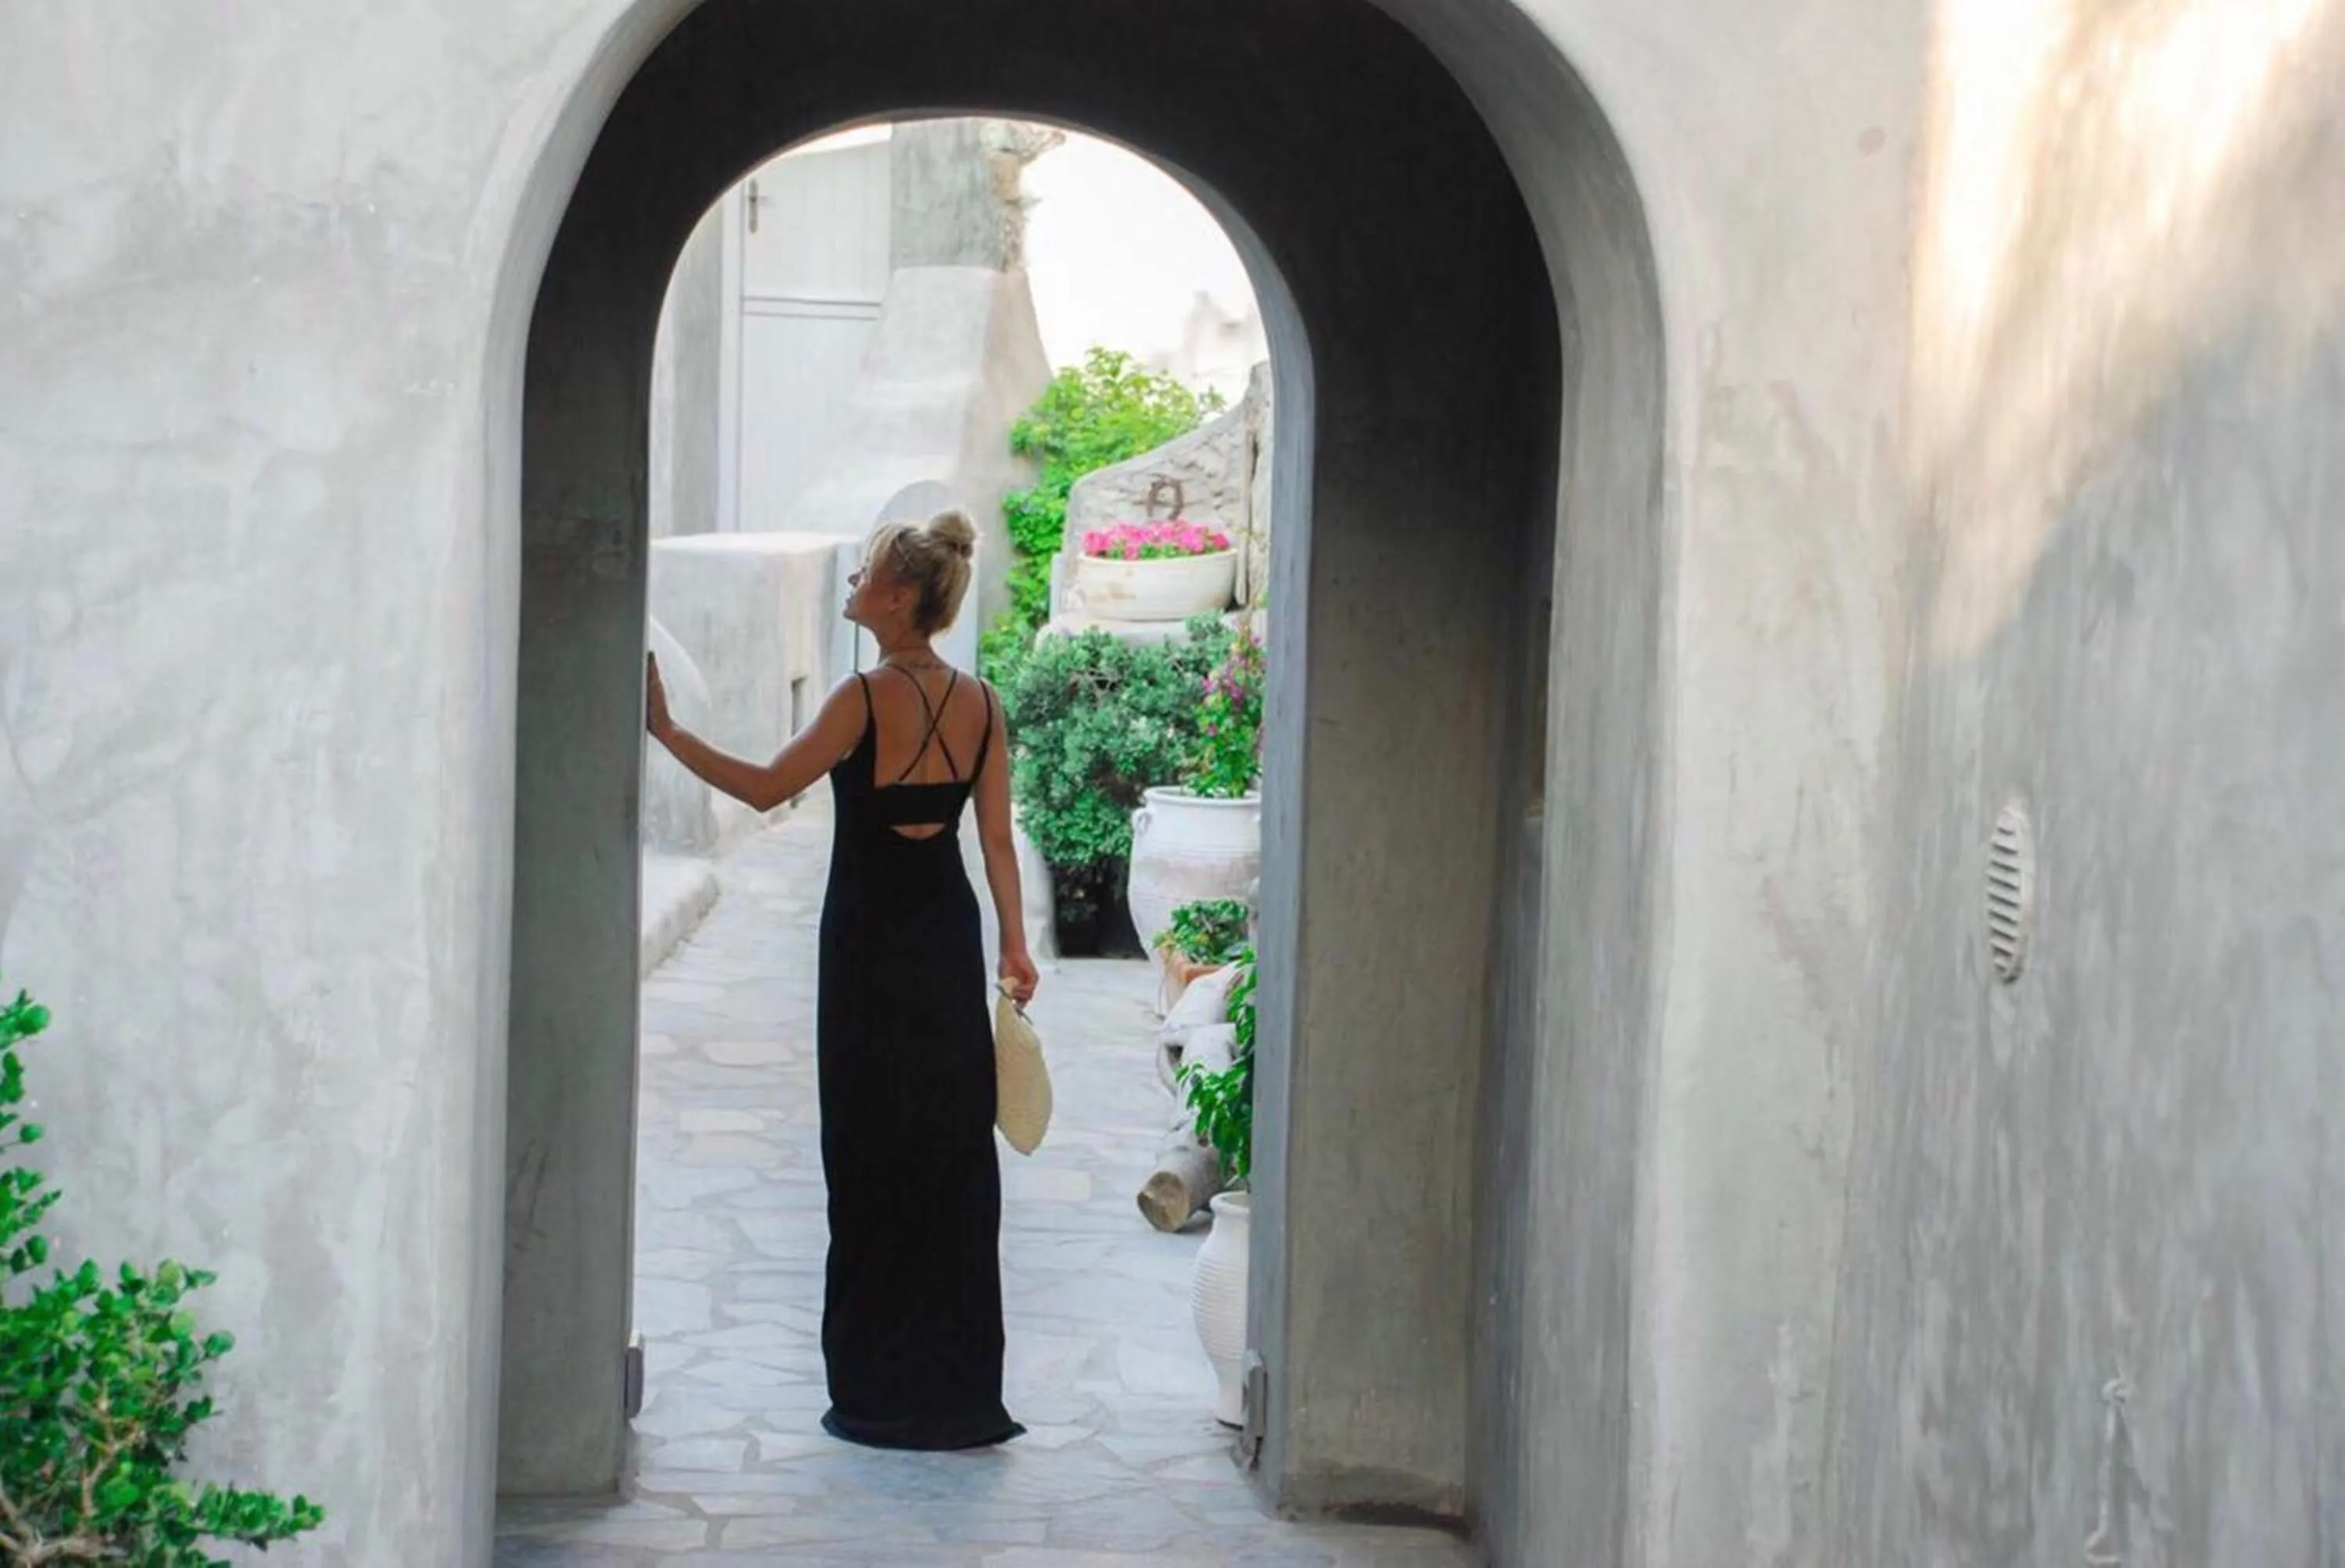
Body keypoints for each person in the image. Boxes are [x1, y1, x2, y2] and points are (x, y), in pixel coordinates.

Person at [644, 506, 1036, 1451]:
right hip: (944, 935)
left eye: (864, 573)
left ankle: (877, 1388)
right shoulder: (982, 703)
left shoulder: (861, 699)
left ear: (899, 597)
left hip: (866, 945)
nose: (852, 583)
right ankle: (956, 1392)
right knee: (950, 1157)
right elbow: (992, 843)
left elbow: (764, 787)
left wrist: (664, 729)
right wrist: (1014, 948)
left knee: (867, 1154)